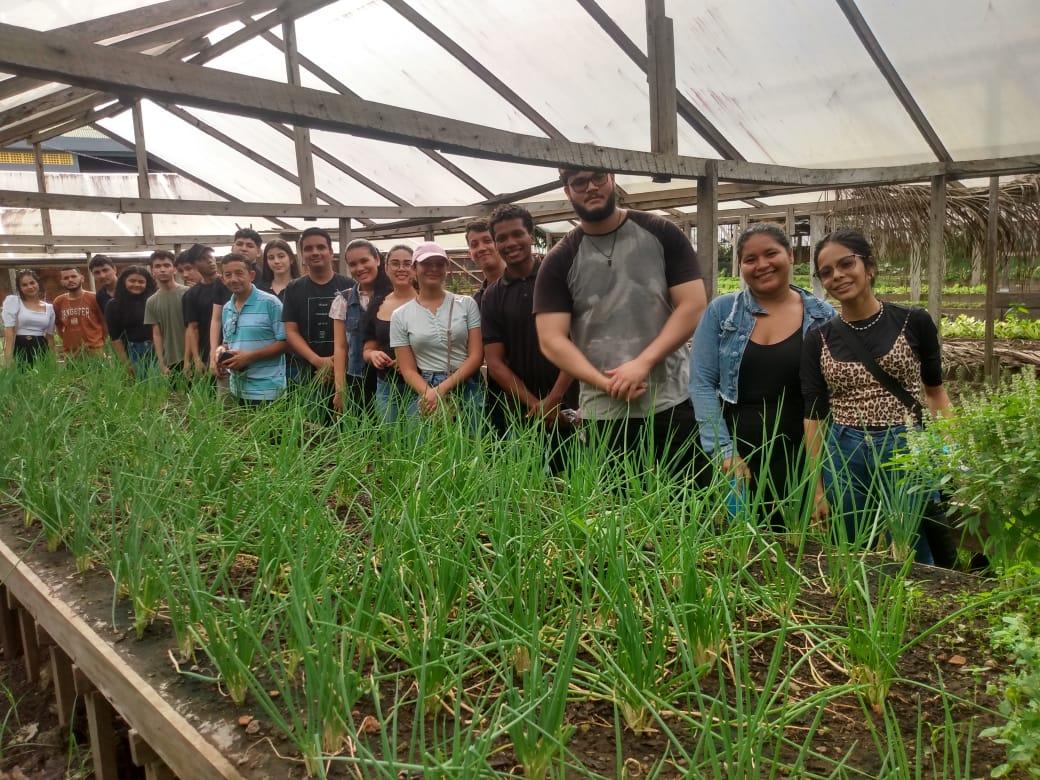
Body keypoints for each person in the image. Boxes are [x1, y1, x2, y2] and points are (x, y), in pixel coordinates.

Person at [533, 169, 707, 477]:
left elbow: (692, 305)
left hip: (671, 400)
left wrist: (643, 362)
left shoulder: (660, 232)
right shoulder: (560, 259)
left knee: (688, 506)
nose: (591, 187)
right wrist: (605, 382)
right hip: (603, 413)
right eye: (579, 183)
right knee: (619, 514)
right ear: (567, 191)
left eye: (598, 177)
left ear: (612, 178)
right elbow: (551, 339)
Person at [802, 228, 952, 564]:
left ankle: (916, 612)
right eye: (826, 272)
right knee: (854, 547)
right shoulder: (818, 338)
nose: (837, 276)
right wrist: (816, 489)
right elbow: (813, 415)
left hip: (907, 445)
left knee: (913, 547)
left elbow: (936, 393)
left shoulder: (914, 321)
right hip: (844, 450)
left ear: (869, 266)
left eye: (846, 264)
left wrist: (951, 454)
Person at [690, 224, 835, 529]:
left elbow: (832, 395)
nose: (762, 265)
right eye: (750, 259)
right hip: (737, 453)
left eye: (771, 254)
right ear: (741, 266)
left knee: (801, 548)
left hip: (799, 453)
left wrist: (819, 473)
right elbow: (701, 383)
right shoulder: (722, 312)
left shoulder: (823, 316)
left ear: (791, 255)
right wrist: (723, 452)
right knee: (738, 548)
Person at [484, 204, 577, 468]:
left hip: (571, 402)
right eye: (501, 238)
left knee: (575, 476)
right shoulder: (493, 295)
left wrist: (554, 399)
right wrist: (536, 404)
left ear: (531, 235)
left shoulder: (561, 278)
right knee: (529, 482)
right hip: (521, 410)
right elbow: (495, 361)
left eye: (517, 234)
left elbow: (577, 342)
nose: (510, 243)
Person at [390, 241, 484, 425]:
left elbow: (476, 355)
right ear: (414, 268)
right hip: (423, 387)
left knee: (471, 445)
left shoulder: (466, 304)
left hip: (465, 382)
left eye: (439, 264)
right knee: (428, 448)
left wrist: (440, 390)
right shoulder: (400, 316)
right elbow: (407, 369)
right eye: (426, 263)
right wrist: (429, 394)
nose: (433, 268)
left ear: (446, 268)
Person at [281, 228, 352, 415]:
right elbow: (290, 330)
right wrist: (317, 361)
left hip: (345, 371)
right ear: (302, 255)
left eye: (321, 247)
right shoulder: (294, 288)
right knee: (310, 428)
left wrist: (335, 363)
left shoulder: (349, 286)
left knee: (346, 424)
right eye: (308, 248)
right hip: (306, 371)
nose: (315, 252)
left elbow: (356, 330)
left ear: (331, 252)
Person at [216, 253, 287, 406]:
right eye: (228, 275)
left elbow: (286, 343)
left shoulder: (271, 303)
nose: (233, 279)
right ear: (222, 279)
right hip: (237, 388)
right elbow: (229, 342)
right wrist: (221, 351)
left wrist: (249, 357)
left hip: (267, 391)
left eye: (239, 273)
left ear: (251, 275)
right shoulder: (227, 308)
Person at [331, 239, 392, 415]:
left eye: (365, 261)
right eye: (353, 264)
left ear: (377, 260)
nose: (360, 268)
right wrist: (340, 389)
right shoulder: (344, 300)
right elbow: (341, 347)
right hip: (356, 379)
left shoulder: (394, 296)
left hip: (391, 378)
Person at [361, 244, 417, 422]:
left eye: (407, 263)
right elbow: (367, 348)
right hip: (386, 385)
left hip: (420, 385)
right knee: (388, 439)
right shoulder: (378, 303)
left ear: (415, 268)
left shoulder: (426, 301)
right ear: (386, 268)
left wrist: (408, 362)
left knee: (417, 442)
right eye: (395, 263)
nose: (401, 268)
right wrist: (373, 355)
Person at [181, 244, 227, 377]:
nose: (210, 261)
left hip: (232, 346)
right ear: (194, 265)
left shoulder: (230, 285)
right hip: (206, 350)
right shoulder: (191, 295)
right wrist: (195, 359)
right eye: (203, 258)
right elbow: (192, 328)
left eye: (211, 257)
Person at [105, 265, 157, 377]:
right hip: (131, 351)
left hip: (156, 349)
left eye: (141, 282)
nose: (137, 284)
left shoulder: (153, 301)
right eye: (132, 281)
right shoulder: (113, 305)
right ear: (124, 281)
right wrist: (126, 364)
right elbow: (115, 338)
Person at [143, 250, 188, 376]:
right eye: (157, 266)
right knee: (177, 395)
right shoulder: (151, 301)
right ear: (152, 271)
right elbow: (156, 334)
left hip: (192, 355)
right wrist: (162, 363)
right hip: (170, 359)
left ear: (174, 269)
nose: (162, 269)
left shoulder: (188, 293)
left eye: (167, 265)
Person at [2, 269, 55, 367]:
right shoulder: (14, 302)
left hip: (42, 348)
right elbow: (9, 333)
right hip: (21, 347)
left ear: (37, 283)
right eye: (24, 285)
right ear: (20, 288)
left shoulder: (49, 308)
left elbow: (50, 337)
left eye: (32, 282)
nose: (30, 287)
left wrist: (53, 360)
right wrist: (8, 362)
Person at [52, 266, 107, 358]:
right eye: (66, 278)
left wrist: (99, 341)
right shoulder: (58, 301)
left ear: (81, 278)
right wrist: (67, 341)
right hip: (70, 353)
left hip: (95, 350)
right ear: (62, 282)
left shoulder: (94, 298)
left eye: (73, 276)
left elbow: (104, 322)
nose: (70, 280)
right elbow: (58, 325)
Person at [466, 219, 505, 309]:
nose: (481, 248)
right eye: (474, 245)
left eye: (487, 241)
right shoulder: (476, 303)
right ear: (470, 254)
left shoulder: (524, 286)